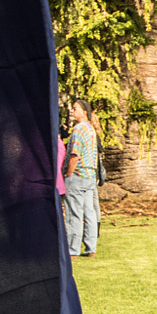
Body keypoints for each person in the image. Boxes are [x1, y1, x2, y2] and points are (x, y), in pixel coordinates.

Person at [64, 100, 101, 258]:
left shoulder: (79, 130)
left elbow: (75, 155)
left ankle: (73, 250)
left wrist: (68, 173)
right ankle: (90, 247)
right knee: (89, 212)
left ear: (84, 111)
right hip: (90, 176)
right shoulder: (90, 129)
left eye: (75, 108)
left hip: (78, 176)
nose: (72, 111)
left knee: (74, 213)